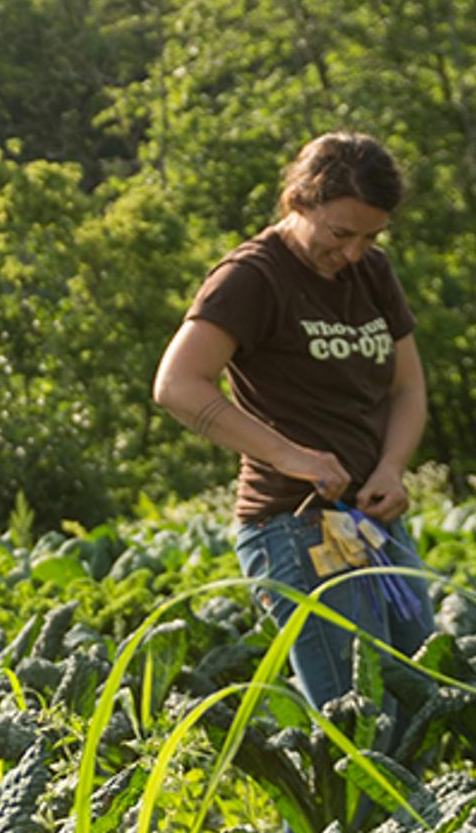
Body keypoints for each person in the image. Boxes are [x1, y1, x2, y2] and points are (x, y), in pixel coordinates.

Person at [153, 131, 433, 715]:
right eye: (340, 233)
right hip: (294, 527)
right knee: (357, 720)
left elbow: (408, 387)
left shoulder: (371, 273)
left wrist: (392, 466)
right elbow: (176, 385)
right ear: (298, 201)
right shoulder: (253, 278)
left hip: (370, 522)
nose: (354, 252)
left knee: (422, 685)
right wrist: (290, 456)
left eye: (371, 236)